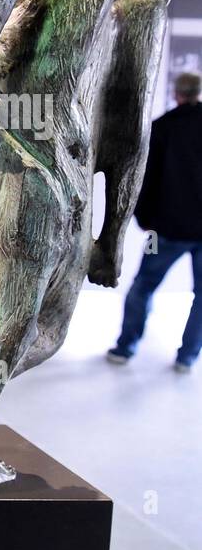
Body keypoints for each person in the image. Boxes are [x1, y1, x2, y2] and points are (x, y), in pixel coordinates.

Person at [108, 72, 202, 371]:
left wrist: (144, 220)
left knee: (143, 285)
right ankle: (187, 357)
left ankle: (125, 347)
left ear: (177, 93)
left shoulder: (161, 129)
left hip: (162, 231)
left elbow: (143, 183)